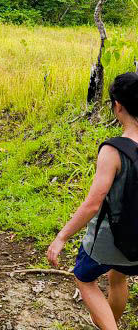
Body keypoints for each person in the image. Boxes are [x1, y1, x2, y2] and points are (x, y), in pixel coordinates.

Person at [47, 72, 138, 330]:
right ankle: (109, 321)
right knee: (118, 277)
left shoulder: (113, 150)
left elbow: (93, 204)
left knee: (84, 278)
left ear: (117, 106)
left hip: (111, 239)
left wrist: (62, 237)